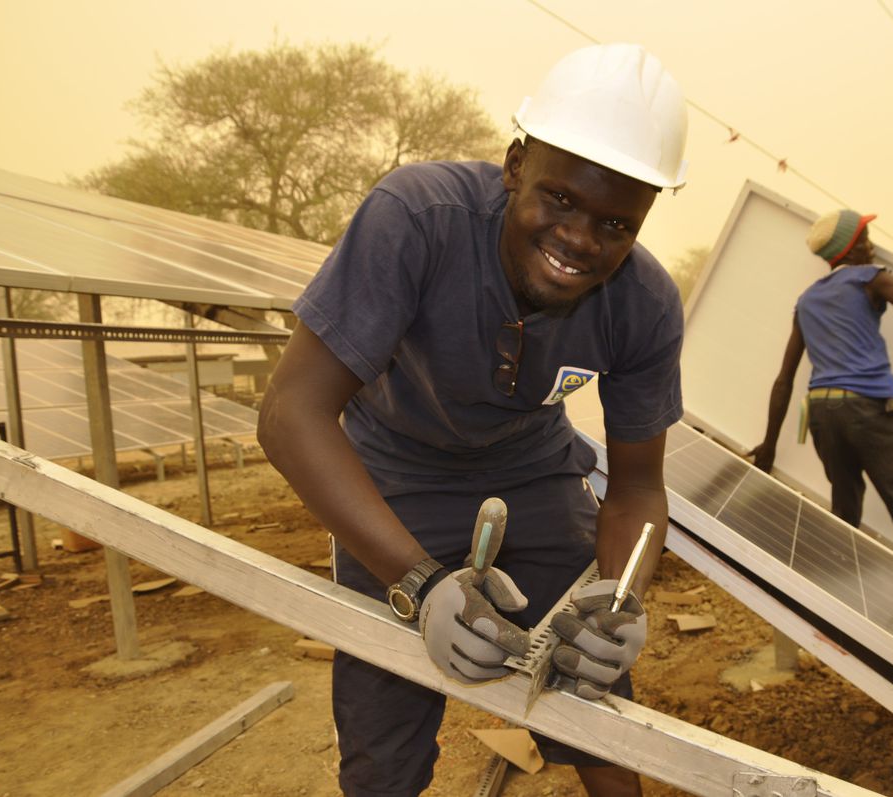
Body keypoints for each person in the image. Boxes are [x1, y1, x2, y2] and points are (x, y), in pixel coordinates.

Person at [257, 43, 688, 797]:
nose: (582, 240)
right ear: (516, 163)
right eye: (560, 199)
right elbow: (292, 413)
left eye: (618, 224)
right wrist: (421, 585)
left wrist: (619, 601)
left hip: (534, 471)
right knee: (381, 754)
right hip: (393, 473)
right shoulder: (417, 219)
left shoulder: (644, 303)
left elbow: (638, 491)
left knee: (595, 702)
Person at [748, 209, 893, 592]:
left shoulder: (808, 300)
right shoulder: (872, 278)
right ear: (854, 246)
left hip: (822, 413)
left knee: (845, 512)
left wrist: (769, 446)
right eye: (867, 236)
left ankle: (837, 601)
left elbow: (784, 381)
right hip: (867, 409)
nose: (873, 244)